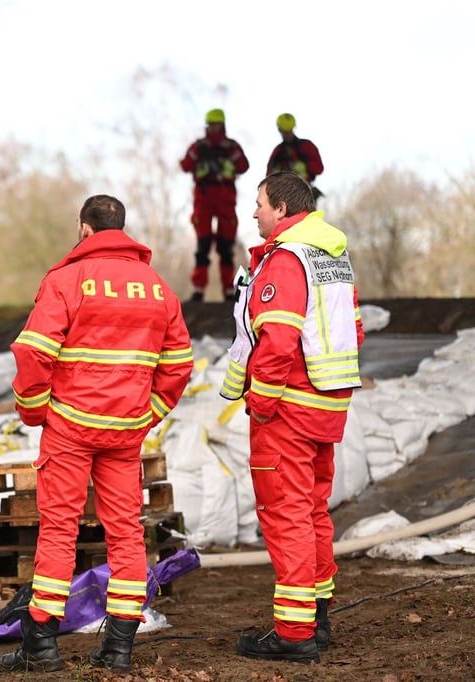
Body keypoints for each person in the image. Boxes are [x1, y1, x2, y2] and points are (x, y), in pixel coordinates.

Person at [0, 194, 194, 674]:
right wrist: (148, 413)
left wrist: (33, 408)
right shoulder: (156, 288)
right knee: (126, 531)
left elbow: (34, 352)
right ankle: (119, 647)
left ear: (85, 229)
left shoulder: (66, 280)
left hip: (70, 426)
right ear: (122, 231)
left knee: (60, 530)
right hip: (125, 431)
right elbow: (179, 363)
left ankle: (41, 647)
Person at [220, 171, 365, 663]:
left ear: (282, 208)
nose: (253, 212)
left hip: (287, 410)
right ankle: (317, 617)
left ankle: (295, 634)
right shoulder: (332, 259)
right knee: (311, 511)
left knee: (286, 518)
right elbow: (354, 330)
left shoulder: (285, 260)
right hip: (326, 405)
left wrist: (260, 404)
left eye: (259, 203)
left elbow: (277, 341)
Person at [179, 108, 250, 303]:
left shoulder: (231, 146)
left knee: (226, 247)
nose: (213, 127)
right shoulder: (199, 147)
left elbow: (244, 166)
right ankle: (198, 289)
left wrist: (230, 154)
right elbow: (185, 165)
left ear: (222, 125)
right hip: (204, 200)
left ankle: (228, 290)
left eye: (216, 124)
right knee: (203, 247)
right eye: (211, 124)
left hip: (225, 199)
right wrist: (197, 155)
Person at [266, 113, 325, 200]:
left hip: (305, 193)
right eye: (284, 131)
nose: (287, 134)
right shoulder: (278, 152)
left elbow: (319, 169)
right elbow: (269, 177)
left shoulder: (306, 146)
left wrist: (305, 162)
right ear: (280, 130)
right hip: (284, 196)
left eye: (288, 131)